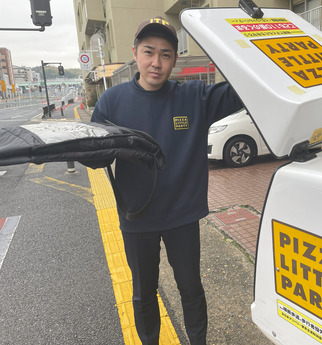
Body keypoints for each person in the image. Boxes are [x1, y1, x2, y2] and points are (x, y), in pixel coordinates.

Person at [91, 17, 243, 345]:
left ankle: (197, 340)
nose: (156, 63)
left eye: (165, 54)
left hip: (182, 217)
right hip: (136, 218)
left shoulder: (194, 97)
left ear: (175, 59)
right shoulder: (112, 102)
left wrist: (240, 40)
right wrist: (112, 149)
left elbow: (242, 91)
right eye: (149, 52)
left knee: (191, 287)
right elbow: (93, 155)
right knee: (144, 292)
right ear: (135, 53)